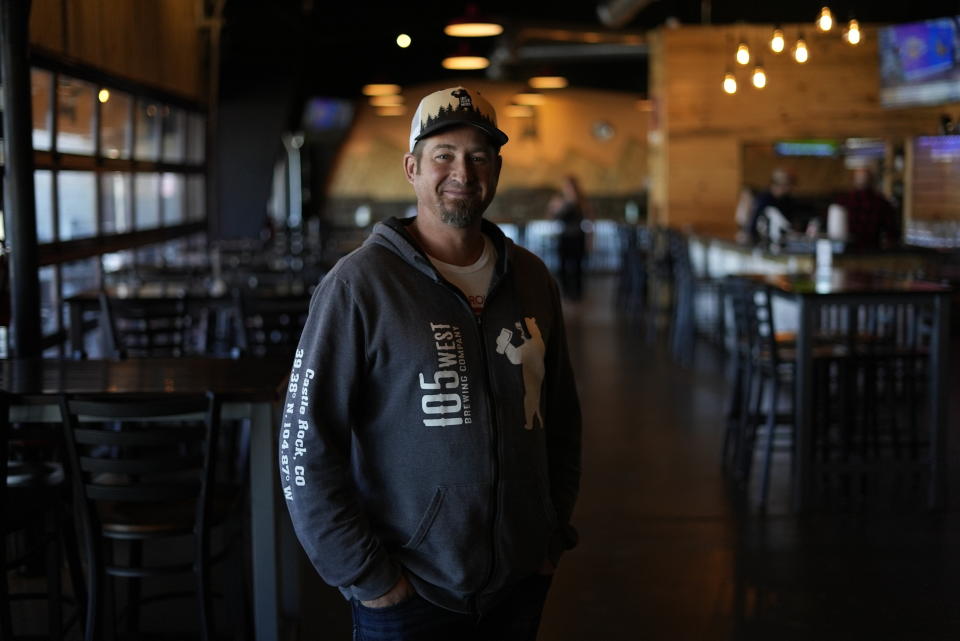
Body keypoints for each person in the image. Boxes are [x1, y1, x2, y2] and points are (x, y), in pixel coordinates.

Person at [280, 86, 582, 641]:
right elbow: (304, 446)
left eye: (478, 155)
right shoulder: (359, 285)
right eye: (443, 155)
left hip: (518, 585)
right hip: (407, 596)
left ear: (495, 168)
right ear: (412, 168)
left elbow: (562, 421)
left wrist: (550, 538)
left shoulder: (533, 279)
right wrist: (369, 577)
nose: (461, 171)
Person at [832, 167, 901, 250]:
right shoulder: (882, 203)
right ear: (873, 182)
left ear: (854, 181)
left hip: (848, 252)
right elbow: (892, 234)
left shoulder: (843, 201)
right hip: (872, 252)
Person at [548, 175, 590, 301]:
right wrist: (553, 207)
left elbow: (590, 220)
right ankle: (566, 292)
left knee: (578, 268)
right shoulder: (561, 201)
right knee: (562, 267)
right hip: (565, 237)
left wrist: (590, 240)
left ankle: (577, 293)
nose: (568, 189)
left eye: (570, 186)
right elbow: (552, 217)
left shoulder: (581, 202)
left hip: (578, 237)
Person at [746, 168, 801, 244]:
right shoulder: (763, 199)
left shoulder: (788, 200)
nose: (790, 188)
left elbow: (792, 224)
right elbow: (752, 223)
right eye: (788, 184)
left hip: (782, 242)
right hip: (762, 242)